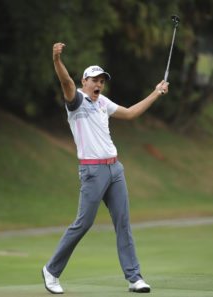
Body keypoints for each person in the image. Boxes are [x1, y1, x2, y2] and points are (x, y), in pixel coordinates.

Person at [42, 42, 169, 294]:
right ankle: (51, 271)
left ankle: (134, 278)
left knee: (123, 223)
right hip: (92, 172)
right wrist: (57, 60)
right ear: (84, 81)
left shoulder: (103, 103)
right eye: (94, 80)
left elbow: (131, 113)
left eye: (102, 80)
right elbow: (66, 82)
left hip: (115, 170)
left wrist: (156, 92)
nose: (99, 84)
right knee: (83, 223)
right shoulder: (75, 100)